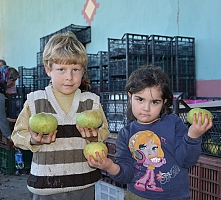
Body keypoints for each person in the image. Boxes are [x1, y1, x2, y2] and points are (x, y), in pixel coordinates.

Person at [87, 65, 213, 200]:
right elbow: (127, 175)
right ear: (130, 96)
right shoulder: (126, 133)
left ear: (164, 102)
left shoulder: (174, 123)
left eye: (154, 102)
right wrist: (109, 166)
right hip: (137, 196)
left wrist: (193, 136)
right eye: (140, 99)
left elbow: (186, 161)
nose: (146, 108)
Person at [11, 32, 110, 200]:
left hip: (83, 185)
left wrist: (95, 138)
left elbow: (104, 131)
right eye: (61, 69)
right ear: (48, 69)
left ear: (83, 70)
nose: (69, 77)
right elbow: (17, 134)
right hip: (46, 187)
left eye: (75, 69)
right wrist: (33, 140)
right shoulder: (36, 101)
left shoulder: (91, 102)